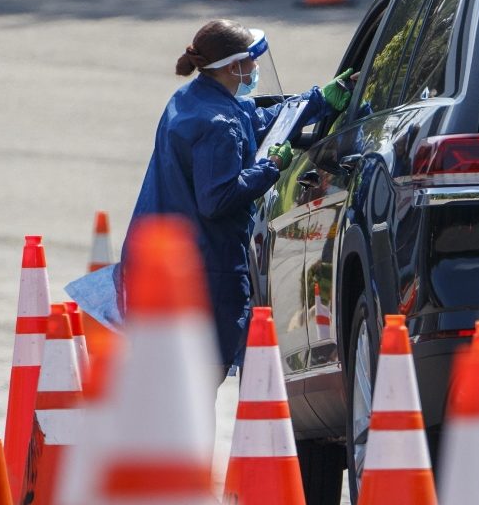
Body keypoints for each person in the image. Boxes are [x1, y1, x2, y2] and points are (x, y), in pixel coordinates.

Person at [120, 19, 353, 380]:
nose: (257, 69)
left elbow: (258, 119)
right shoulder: (219, 125)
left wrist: (318, 101)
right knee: (199, 385)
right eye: (252, 62)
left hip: (161, 264)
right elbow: (218, 198)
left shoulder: (193, 100)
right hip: (204, 273)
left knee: (167, 385)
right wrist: (272, 167)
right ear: (233, 67)